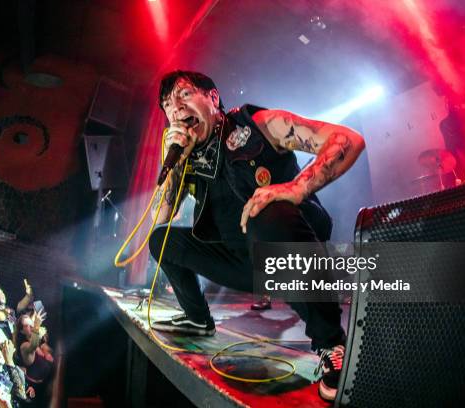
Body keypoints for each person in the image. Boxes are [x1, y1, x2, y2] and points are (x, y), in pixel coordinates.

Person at [148, 70, 365, 401]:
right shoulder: (187, 157)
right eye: (167, 104)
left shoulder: (258, 125)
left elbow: (348, 139)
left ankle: (331, 343)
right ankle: (198, 319)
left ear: (213, 98)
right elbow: (160, 216)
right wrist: (173, 160)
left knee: (264, 210)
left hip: (289, 246)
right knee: (161, 240)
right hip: (242, 263)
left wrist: (296, 187)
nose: (175, 108)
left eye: (184, 95)